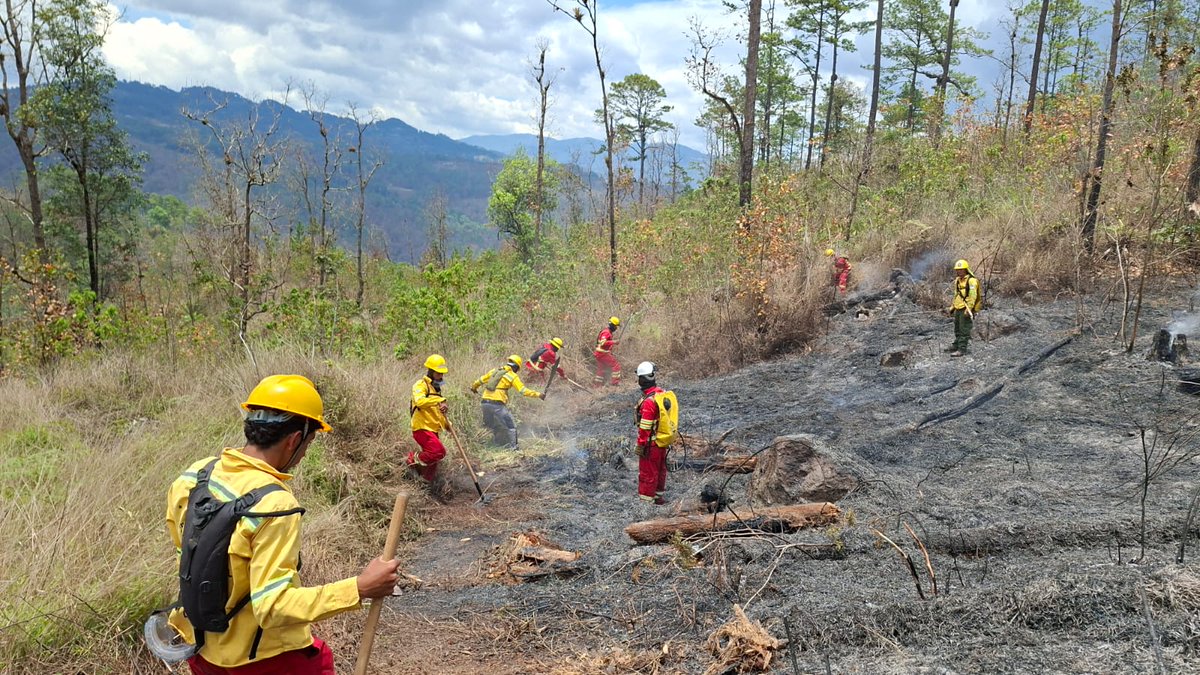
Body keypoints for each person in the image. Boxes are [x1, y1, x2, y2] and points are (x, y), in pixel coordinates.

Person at [163, 374, 401, 674]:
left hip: (199, 648)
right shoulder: (274, 505)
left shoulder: (193, 477)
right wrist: (360, 588)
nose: (304, 454)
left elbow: (184, 552)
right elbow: (273, 607)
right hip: (260, 660)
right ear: (294, 440)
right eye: (308, 443)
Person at [471, 354, 543, 450]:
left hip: (484, 403)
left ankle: (487, 445)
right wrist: (538, 394)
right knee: (511, 426)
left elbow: (479, 381)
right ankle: (514, 448)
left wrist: (474, 388)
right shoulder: (512, 376)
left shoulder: (494, 371)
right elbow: (523, 391)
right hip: (497, 405)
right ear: (516, 367)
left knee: (490, 425)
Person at [406, 354, 450, 481]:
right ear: (430, 371)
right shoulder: (421, 385)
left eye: (442, 374)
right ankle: (411, 459)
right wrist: (439, 400)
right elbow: (419, 402)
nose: (440, 376)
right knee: (438, 452)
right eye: (438, 373)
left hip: (433, 429)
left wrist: (447, 425)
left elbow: (437, 413)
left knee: (433, 462)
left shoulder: (436, 390)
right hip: (421, 428)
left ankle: (425, 482)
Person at [634, 361, 671, 505]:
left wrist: (641, 445)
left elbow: (645, 427)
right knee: (660, 470)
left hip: (651, 444)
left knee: (648, 473)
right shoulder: (661, 394)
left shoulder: (649, 401)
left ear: (642, 380)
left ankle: (646, 503)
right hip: (662, 441)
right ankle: (658, 498)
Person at [945, 259, 980, 357]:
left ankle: (962, 349)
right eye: (957, 270)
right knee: (957, 328)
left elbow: (973, 296)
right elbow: (956, 295)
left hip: (966, 308)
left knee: (964, 329)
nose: (959, 271)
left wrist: (969, 309)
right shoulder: (957, 280)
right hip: (958, 307)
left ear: (965, 269)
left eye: (961, 269)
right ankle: (956, 345)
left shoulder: (972, 281)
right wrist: (952, 307)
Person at [593, 316, 621, 388]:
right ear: (612, 325)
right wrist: (614, 342)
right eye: (615, 326)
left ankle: (597, 386)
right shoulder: (606, 333)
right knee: (616, 365)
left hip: (599, 353)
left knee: (601, 369)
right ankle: (615, 383)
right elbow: (603, 343)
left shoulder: (607, 331)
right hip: (602, 353)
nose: (616, 328)